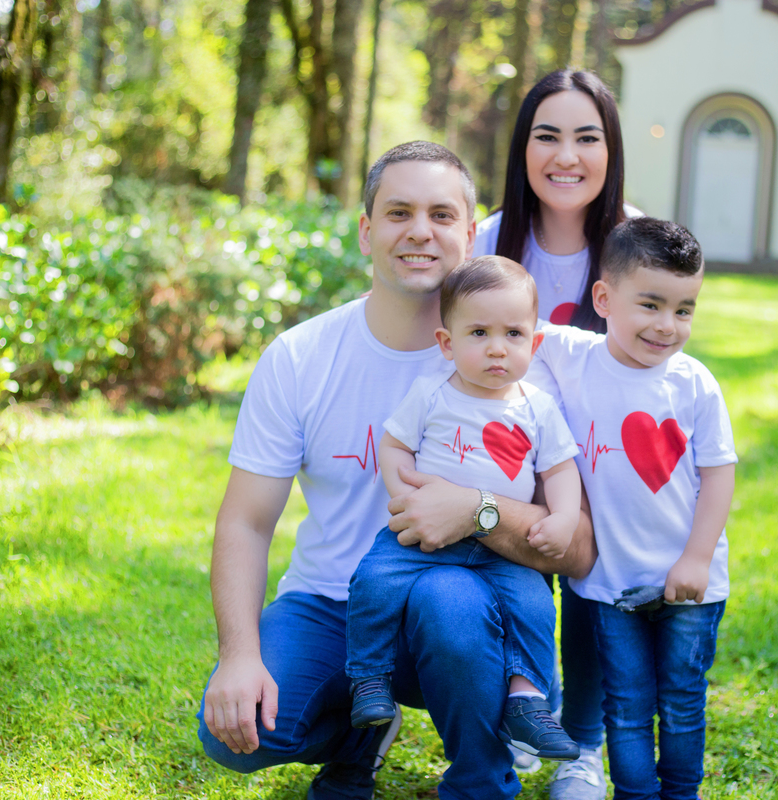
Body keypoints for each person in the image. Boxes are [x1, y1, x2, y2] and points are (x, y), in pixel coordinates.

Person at [197, 141, 597, 800]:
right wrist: (239, 657)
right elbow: (245, 521)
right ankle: (362, 733)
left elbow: (579, 548)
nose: (419, 230)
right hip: (330, 605)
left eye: (442, 214)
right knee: (237, 735)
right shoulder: (300, 358)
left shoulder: (520, 364)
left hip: (470, 607)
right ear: (366, 231)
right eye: (398, 212)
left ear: (470, 235)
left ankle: (480, 777)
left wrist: (477, 510)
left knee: (449, 600)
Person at [529, 217, 737, 800]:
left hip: (691, 585)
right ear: (604, 298)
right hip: (611, 586)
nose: (667, 326)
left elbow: (720, 473)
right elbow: (511, 326)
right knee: (625, 704)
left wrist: (696, 558)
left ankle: (681, 794)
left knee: (681, 700)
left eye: (684, 309)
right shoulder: (574, 355)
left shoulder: (694, 384)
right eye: (650, 304)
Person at [344, 255, 582, 764]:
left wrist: (561, 517)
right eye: (478, 333)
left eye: (514, 335)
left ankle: (527, 700)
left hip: (501, 550)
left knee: (536, 604)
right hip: (424, 537)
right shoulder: (431, 393)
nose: (497, 348)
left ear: (534, 343)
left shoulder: (537, 407)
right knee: (373, 580)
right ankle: (369, 677)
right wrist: (403, 495)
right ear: (447, 344)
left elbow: (560, 471)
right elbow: (393, 445)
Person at [473, 67, 636, 797]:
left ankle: (584, 746)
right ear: (522, 148)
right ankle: (520, 717)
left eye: (586, 137)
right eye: (548, 136)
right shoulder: (485, 241)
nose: (566, 156)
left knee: (595, 592)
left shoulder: (634, 242)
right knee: (511, 584)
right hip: (501, 457)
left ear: (611, 150)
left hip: (601, 462)